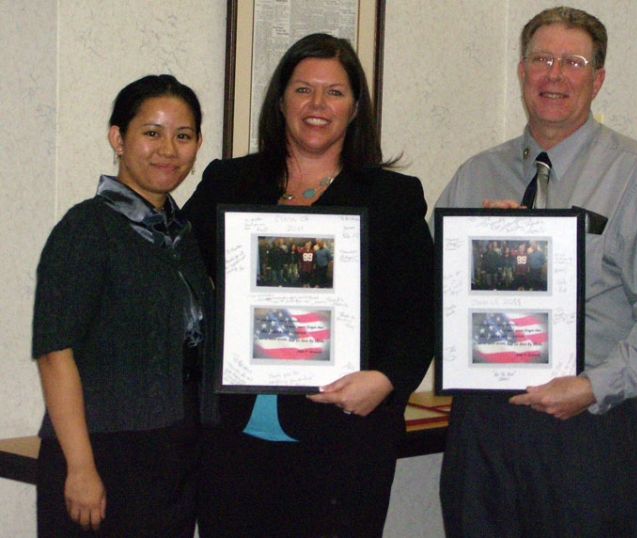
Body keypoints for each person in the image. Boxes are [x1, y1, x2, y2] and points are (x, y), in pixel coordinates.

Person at [435, 7, 637, 538]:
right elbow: (433, 293)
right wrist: (483, 258)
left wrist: (594, 386)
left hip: (587, 426)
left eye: (573, 62)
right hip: (483, 424)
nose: (554, 75)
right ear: (522, 71)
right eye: (541, 59)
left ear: (597, 80)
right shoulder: (475, 174)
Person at [183, 33, 434, 538]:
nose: (318, 105)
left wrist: (385, 381)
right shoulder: (228, 182)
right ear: (280, 100)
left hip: (344, 439)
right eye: (303, 90)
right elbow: (179, 277)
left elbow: (422, 311)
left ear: (356, 107)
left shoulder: (393, 198)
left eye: (335, 92)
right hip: (232, 441)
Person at [32, 74, 210, 537]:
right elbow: (55, 354)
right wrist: (81, 468)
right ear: (118, 138)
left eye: (183, 135)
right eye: (152, 132)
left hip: (173, 455)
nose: (168, 149)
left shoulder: (181, 235)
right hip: (103, 456)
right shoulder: (86, 229)